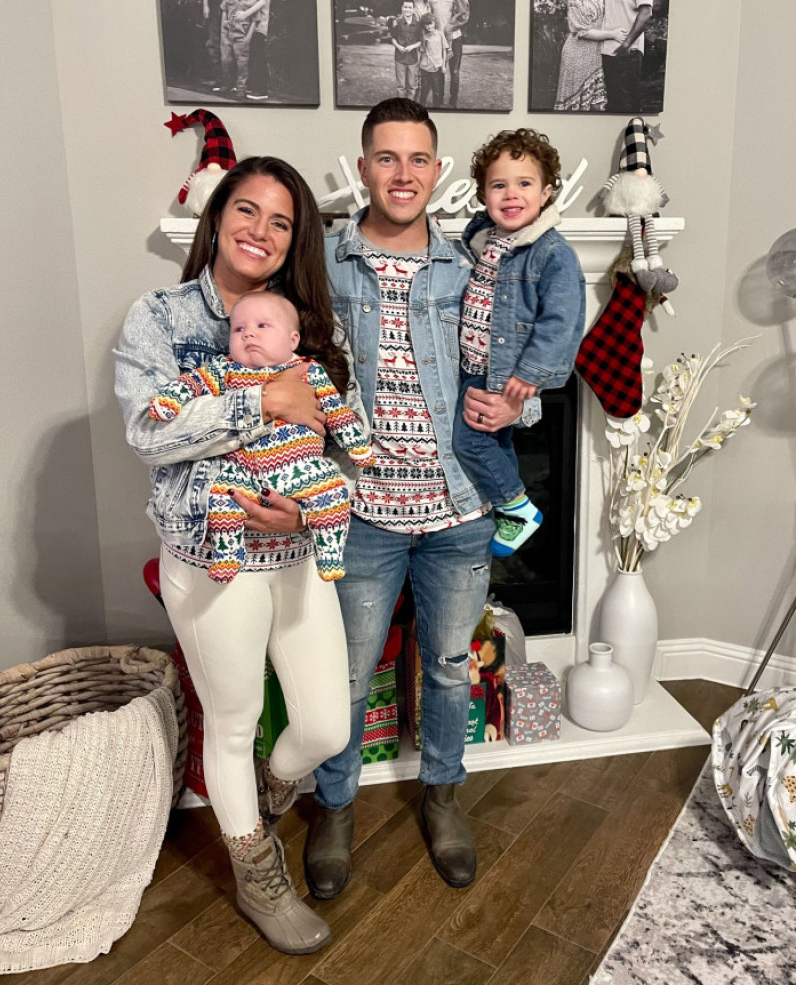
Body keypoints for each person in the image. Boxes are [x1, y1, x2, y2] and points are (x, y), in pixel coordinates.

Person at [115, 156, 359, 955]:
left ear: (295, 240)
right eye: (246, 210)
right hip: (211, 555)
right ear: (218, 217)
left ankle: (263, 797)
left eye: (281, 221)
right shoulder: (161, 317)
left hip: (298, 552)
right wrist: (262, 399)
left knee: (324, 725)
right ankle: (257, 870)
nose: (260, 230)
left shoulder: (312, 327)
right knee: (234, 720)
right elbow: (148, 432)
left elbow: (345, 438)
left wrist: (311, 500)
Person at [304, 98, 525, 900]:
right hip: (362, 509)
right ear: (364, 166)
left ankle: (441, 797)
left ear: (438, 170)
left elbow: (515, 365)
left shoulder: (474, 268)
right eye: (388, 158)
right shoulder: (324, 264)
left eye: (419, 159)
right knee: (348, 672)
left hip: (459, 508)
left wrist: (518, 404)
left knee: (449, 664)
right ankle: (334, 806)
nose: (404, 174)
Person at [149, 291, 374, 583]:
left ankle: (329, 550)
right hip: (243, 469)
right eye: (238, 329)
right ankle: (228, 552)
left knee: (333, 494)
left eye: (262, 326)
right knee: (220, 498)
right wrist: (171, 398)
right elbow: (193, 382)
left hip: (301, 467)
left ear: (293, 340)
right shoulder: (226, 370)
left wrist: (356, 444)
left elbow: (336, 411)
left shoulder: (309, 371)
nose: (248, 334)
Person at [453, 129, 586, 556]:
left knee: (469, 441)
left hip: (503, 372)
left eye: (524, 183)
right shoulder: (486, 241)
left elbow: (561, 320)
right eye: (499, 185)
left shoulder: (551, 252)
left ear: (546, 193)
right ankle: (507, 506)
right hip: (473, 364)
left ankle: (517, 507)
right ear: (483, 194)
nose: (511, 194)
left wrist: (530, 374)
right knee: (498, 443)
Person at [553, 0, 628, 112]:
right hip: (577, 54)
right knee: (577, 105)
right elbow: (583, 32)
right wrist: (613, 34)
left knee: (596, 104)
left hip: (596, 54)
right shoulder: (575, 2)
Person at [601, 0, 652, 113]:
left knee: (626, 106)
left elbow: (646, 13)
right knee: (613, 105)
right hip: (606, 51)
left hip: (626, 53)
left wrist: (626, 44)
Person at [387, 1, 422, 101]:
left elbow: (420, 41)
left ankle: (410, 105)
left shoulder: (418, 24)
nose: (407, 9)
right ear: (402, 8)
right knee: (400, 86)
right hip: (400, 58)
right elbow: (393, 38)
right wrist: (398, 46)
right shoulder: (396, 22)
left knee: (411, 86)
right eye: (405, 7)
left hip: (412, 59)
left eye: (410, 7)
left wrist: (412, 47)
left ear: (413, 9)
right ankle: (401, 106)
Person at [417, 13, 449, 108]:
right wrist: (423, 42)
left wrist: (443, 65)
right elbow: (422, 51)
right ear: (424, 26)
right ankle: (421, 108)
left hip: (437, 66)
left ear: (435, 23)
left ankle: (436, 108)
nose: (429, 26)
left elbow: (444, 50)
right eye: (426, 24)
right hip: (425, 67)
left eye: (430, 23)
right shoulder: (424, 36)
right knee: (424, 89)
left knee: (437, 90)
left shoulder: (440, 34)